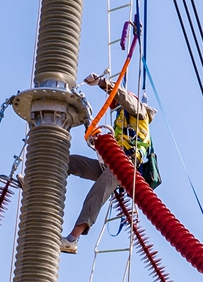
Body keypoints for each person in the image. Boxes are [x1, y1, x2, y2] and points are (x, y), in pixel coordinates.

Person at [61, 72, 159, 253]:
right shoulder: (122, 122)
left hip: (125, 165)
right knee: (71, 162)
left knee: (97, 193)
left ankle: (72, 239)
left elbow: (122, 96)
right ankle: (37, 183)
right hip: (110, 162)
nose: (116, 108)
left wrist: (102, 82)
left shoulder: (139, 111)